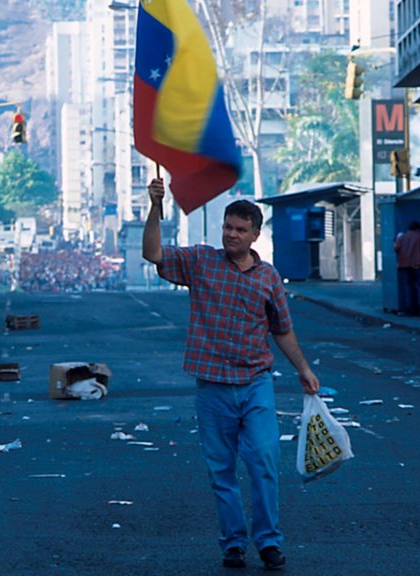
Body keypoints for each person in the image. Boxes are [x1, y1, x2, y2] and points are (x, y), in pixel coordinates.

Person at [141, 177, 319, 571]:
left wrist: (303, 369)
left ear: (255, 235)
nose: (232, 235)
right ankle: (233, 544)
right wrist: (156, 206)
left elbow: (282, 329)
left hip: (256, 385)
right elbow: (153, 253)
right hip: (213, 388)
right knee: (221, 472)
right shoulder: (201, 262)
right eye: (228, 228)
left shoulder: (269, 277)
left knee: (264, 461)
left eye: (240, 230)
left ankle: (269, 541)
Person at [393, 220, 420, 316]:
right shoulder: (419, 236)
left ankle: (409, 309)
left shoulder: (401, 237)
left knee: (407, 286)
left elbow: (396, 249)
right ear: (417, 228)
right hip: (417, 264)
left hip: (404, 264)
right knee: (419, 286)